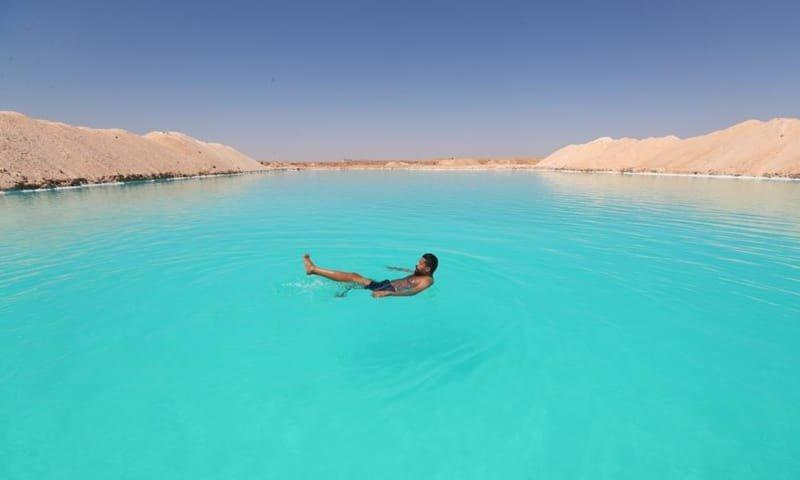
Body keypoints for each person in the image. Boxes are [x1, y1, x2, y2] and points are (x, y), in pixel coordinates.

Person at [302, 253, 437, 298]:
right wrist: (396, 268)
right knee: (355, 278)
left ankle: (313, 269)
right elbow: (411, 275)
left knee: (354, 277)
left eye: (420, 264)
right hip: (386, 284)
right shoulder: (419, 273)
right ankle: (344, 291)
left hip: (388, 290)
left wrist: (388, 294)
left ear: (427, 269)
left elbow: (413, 292)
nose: (416, 265)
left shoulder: (427, 281)